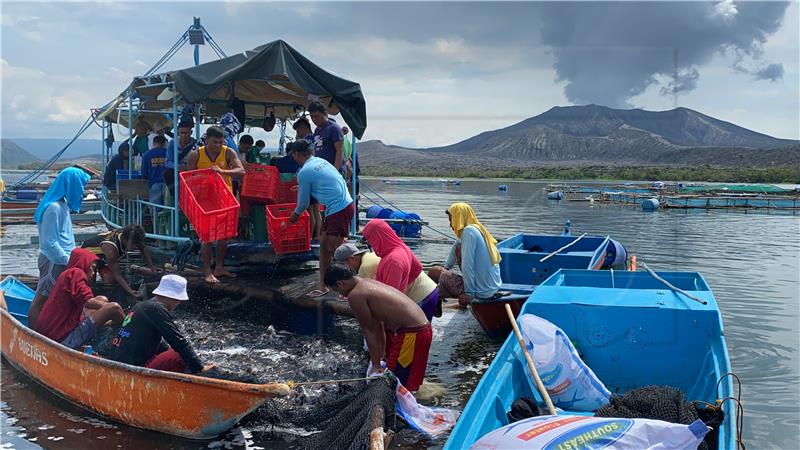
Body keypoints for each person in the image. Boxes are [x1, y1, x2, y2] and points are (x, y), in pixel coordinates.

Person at [325, 264, 431, 392]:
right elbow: (378, 325)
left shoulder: (356, 295)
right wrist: (381, 356)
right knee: (406, 377)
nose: (340, 295)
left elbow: (368, 330)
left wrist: (375, 365)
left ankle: (402, 409)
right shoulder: (367, 282)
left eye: (337, 291)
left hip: (412, 335)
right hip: (421, 329)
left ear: (341, 283)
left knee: (394, 381)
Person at [109, 275, 214, 374]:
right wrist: (200, 367)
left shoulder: (142, 305)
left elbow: (156, 339)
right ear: (175, 298)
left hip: (118, 359)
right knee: (179, 355)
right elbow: (178, 340)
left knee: (172, 350)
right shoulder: (157, 309)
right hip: (132, 368)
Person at [289, 140, 354, 297]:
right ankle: (324, 285)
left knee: (337, 253)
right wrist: (305, 187)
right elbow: (328, 181)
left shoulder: (304, 172)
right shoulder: (319, 161)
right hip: (342, 206)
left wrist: (294, 216)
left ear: (296, 154)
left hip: (339, 209)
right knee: (325, 248)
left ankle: (349, 289)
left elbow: (303, 203)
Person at [28, 167, 91, 329]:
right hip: (53, 261)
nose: (82, 190)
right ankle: (34, 335)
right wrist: (67, 260)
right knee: (42, 298)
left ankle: (48, 332)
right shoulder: (53, 208)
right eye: (81, 185)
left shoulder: (63, 205)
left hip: (61, 260)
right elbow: (49, 243)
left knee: (55, 299)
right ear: (71, 184)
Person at [186, 125, 245, 284]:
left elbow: (241, 171)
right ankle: (207, 272)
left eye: (220, 142)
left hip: (225, 199)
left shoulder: (228, 152)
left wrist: (222, 171)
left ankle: (219, 267)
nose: (218, 145)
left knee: (224, 235)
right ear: (206, 140)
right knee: (207, 237)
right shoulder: (195, 155)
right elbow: (189, 178)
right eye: (214, 142)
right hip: (204, 201)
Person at [35, 248, 124, 349]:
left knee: (101, 299)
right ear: (84, 263)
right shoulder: (76, 273)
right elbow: (88, 301)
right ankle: (118, 337)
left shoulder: (67, 274)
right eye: (92, 267)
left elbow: (85, 301)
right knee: (114, 308)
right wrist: (117, 310)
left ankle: (109, 327)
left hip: (53, 334)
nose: (93, 273)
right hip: (64, 339)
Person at [356, 220, 439, 321]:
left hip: (421, 298)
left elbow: (391, 298)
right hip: (428, 292)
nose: (371, 245)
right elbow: (417, 267)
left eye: (371, 241)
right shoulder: (398, 247)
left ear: (379, 238)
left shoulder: (393, 260)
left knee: (413, 333)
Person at [428, 203, 502, 308]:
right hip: (492, 288)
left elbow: (468, 266)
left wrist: (469, 293)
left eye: (451, 220)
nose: (450, 225)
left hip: (481, 291)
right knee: (456, 251)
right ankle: (439, 298)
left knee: (433, 272)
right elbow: (457, 244)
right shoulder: (477, 229)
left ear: (458, 218)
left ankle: (433, 305)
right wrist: (446, 267)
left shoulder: (468, 232)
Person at [84, 224, 160, 300]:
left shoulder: (132, 237)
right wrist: (130, 291)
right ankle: (91, 300)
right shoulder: (111, 249)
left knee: (110, 282)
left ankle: (109, 298)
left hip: (104, 258)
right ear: (124, 239)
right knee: (90, 282)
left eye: (137, 244)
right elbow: (117, 274)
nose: (135, 247)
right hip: (88, 255)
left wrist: (151, 266)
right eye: (133, 244)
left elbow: (143, 248)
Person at [308, 101, 345, 172]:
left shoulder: (334, 128)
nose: (314, 119)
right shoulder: (317, 130)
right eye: (312, 117)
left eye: (317, 116)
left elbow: (339, 151)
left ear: (324, 114)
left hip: (333, 171)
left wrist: (335, 171)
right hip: (322, 170)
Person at [165, 120, 197, 193]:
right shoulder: (172, 143)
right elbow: (168, 162)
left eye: (186, 133)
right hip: (176, 170)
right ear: (178, 133)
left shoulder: (195, 144)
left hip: (190, 170)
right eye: (181, 133)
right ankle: (176, 196)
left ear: (191, 133)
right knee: (168, 173)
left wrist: (188, 168)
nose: (184, 135)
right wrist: (177, 167)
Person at [141, 135, 168, 205]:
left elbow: (144, 171)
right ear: (164, 143)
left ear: (153, 143)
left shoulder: (147, 154)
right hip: (167, 183)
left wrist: (145, 178)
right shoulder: (168, 153)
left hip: (153, 183)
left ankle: (155, 216)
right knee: (167, 206)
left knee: (154, 206)